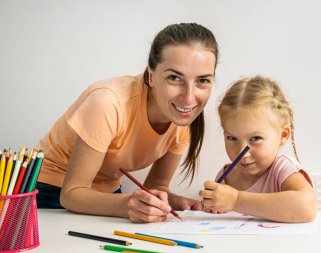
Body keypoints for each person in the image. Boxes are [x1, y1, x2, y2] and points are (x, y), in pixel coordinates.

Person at [36, 23, 219, 223]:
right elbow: (71, 195)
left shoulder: (183, 116)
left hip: (106, 196)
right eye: (174, 78)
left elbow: (157, 186)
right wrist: (126, 205)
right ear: (151, 76)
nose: (189, 98)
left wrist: (171, 201)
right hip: (49, 194)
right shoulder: (107, 102)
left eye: (202, 81)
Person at [199, 76, 317, 223]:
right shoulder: (225, 177)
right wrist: (211, 206)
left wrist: (236, 200)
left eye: (255, 139)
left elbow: (306, 207)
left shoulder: (282, 169)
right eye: (232, 138)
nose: (242, 152)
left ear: (283, 135)